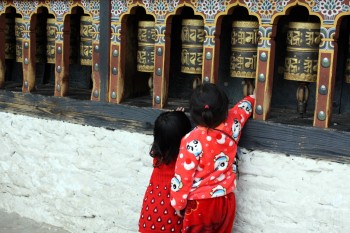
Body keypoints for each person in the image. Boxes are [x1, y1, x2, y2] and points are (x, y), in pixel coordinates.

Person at [170, 83, 255, 233]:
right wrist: (253, 97)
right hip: (226, 200)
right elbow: (243, 108)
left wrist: (178, 204)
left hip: (200, 205)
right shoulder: (234, 122)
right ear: (224, 109)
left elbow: (183, 177)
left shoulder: (191, 140)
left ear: (194, 114)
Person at [139, 109, 192, 233]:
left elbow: (166, 134)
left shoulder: (158, 156)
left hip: (150, 215)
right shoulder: (185, 161)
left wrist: (171, 118)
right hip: (170, 219)